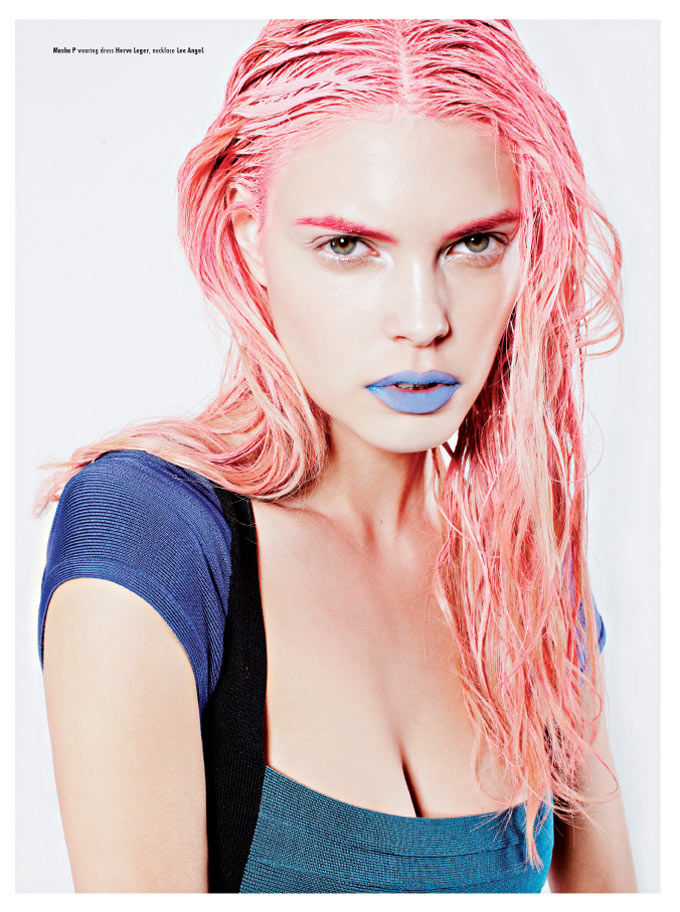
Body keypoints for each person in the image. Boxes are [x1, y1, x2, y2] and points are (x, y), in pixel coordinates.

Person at [35, 19, 637, 893]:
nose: (424, 320)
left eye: (475, 243)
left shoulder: (526, 562)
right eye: (349, 247)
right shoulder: (152, 539)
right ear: (249, 240)